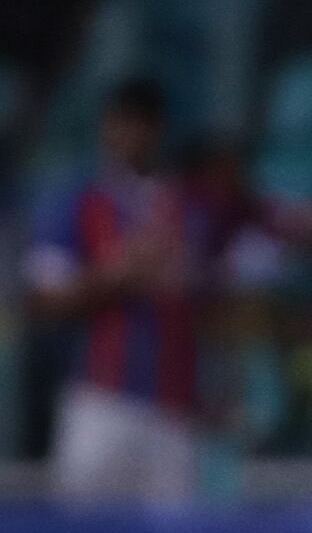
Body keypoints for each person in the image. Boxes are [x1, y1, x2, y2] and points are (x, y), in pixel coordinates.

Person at [24, 79, 214, 504]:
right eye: (122, 123)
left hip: (175, 407)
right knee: (84, 529)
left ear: (159, 130)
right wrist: (117, 276)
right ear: (106, 127)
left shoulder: (190, 205)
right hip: (100, 401)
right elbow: (45, 302)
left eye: (143, 124)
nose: (132, 135)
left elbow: (213, 295)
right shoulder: (78, 203)